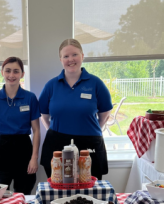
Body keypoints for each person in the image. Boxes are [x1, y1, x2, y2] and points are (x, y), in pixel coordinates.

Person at [39, 39, 113, 180]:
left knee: (90, 190)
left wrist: (90, 130)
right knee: (59, 189)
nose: (70, 59)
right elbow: (44, 115)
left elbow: (104, 115)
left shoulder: (96, 83)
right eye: (66, 56)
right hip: (57, 143)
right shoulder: (51, 85)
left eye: (74, 54)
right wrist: (54, 131)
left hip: (90, 144)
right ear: (60, 59)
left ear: (82, 56)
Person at [0, 57, 40, 195]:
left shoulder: (30, 98)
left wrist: (34, 158)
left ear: (22, 74)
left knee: (23, 193)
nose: (11, 75)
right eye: (8, 71)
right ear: (2, 72)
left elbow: (36, 130)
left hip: (24, 147)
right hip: (3, 147)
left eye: (16, 71)